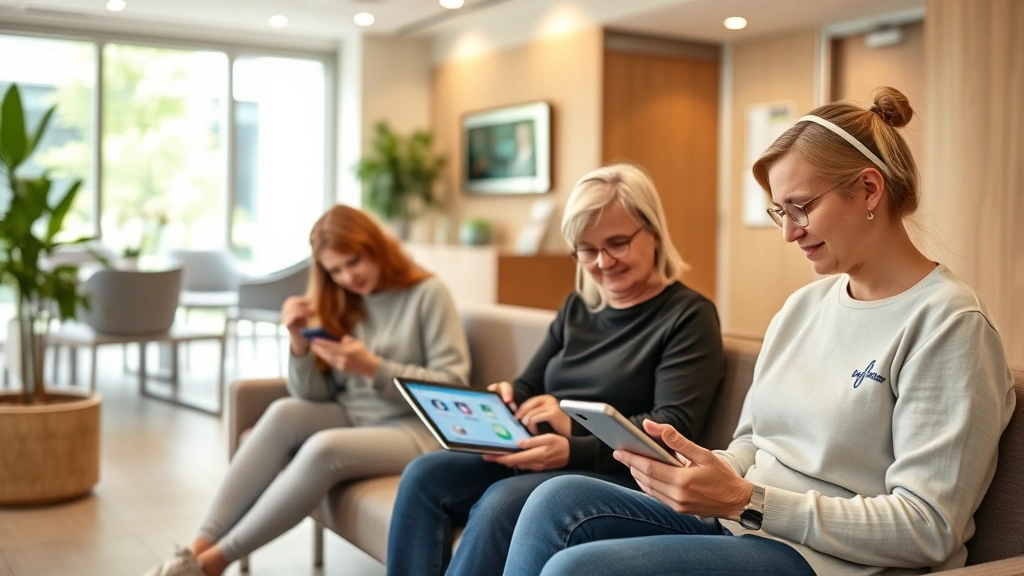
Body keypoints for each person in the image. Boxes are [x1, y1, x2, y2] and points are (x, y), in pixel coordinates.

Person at [502, 87, 1017, 576]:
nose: (789, 232)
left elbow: (929, 527)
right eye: (780, 212)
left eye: (801, 208)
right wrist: (702, 469)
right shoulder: (802, 307)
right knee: (557, 499)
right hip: (745, 523)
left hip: (827, 561)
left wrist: (747, 501)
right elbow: (752, 442)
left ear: (868, 189)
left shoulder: (948, 325)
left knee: (577, 569)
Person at [387, 163, 727, 576]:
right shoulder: (578, 308)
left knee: (502, 503)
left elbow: (671, 428)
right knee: (424, 474)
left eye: (617, 243)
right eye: (586, 249)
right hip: (545, 452)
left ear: (653, 232)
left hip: (621, 472)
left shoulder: (688, 316)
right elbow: (530, 383)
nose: (602, 262)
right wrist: (506, 398)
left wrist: (573, 440)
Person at [144, 205, 470, 576]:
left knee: (324, 448)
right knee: (283, 412)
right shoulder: (343, 298)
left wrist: (372, 368)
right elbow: (312, 395)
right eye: (335, 270)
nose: (348, 277)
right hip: (354, 413)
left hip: (415, 429)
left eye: (353, 262)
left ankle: (212, 565)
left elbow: (454, 385)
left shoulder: (428, 293)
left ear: (376, 247)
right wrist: (298, 343)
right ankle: (193, 552)